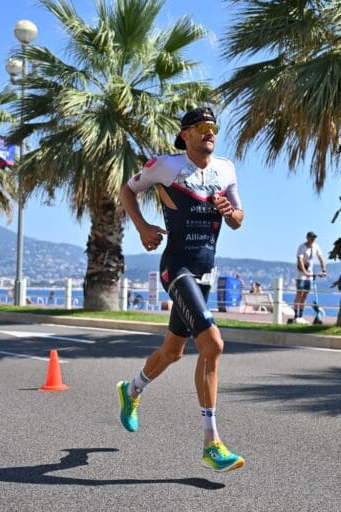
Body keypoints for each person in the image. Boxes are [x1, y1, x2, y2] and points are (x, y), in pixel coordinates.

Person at [118, 107, 246, 473]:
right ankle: (212, 443)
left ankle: (131, 391)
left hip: (205, 273)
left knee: (173, 352)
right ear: (185, 134)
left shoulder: (226, 169)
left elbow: (238, 220)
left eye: (214, 128)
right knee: (213, 344)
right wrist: (142, 226)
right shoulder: (164, 165)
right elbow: (129, 190)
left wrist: (228, 211)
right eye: (202, 128)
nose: (210, 133)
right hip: (176, 267)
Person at [291, 232, 327, 323]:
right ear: (307, 237)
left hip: (309, 275)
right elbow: (299, 260)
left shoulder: (316, 247)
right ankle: (296, 316)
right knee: (299, 293)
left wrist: (323, 270)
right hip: (301, 274)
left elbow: (320, 258)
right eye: (311, 237)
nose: (313, 239)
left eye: (314, 238)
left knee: (305, 295)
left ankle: (301, 315)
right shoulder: (302, 247)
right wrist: (304, 272)